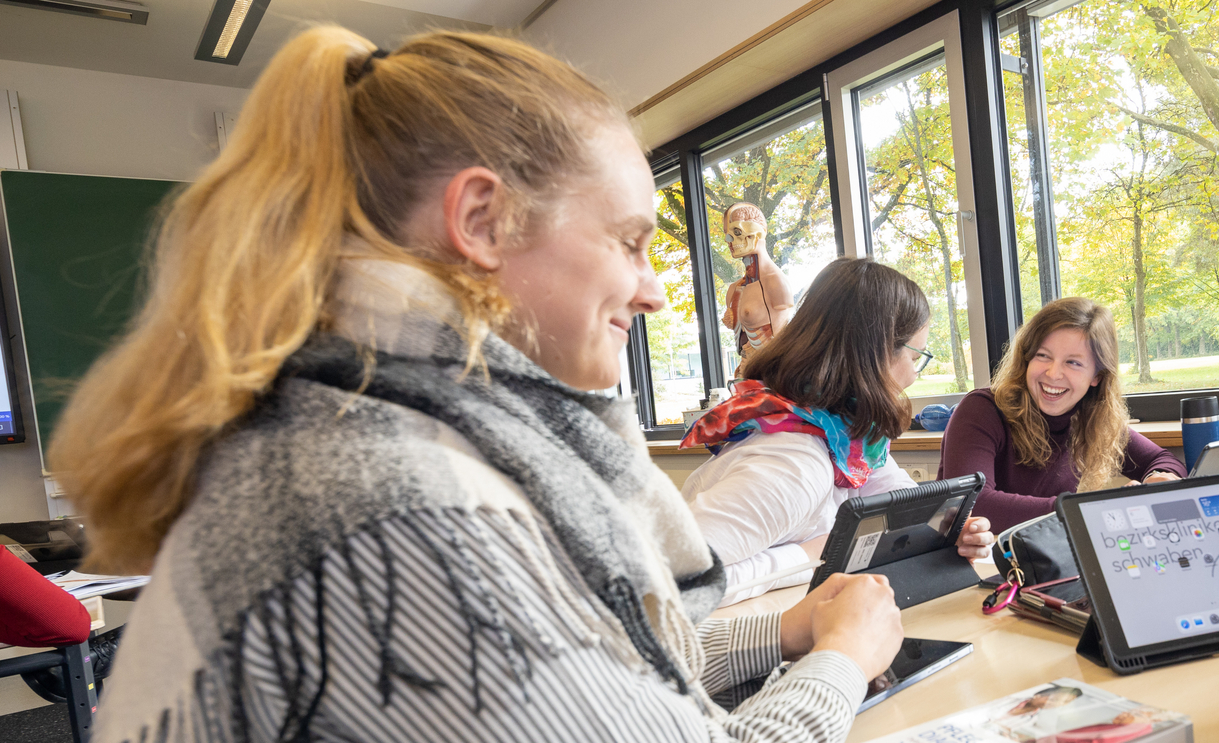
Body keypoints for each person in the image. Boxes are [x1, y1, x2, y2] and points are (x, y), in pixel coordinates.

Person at [54, 27, 908, 743]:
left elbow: (601, 669)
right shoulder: (394, 504)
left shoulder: (386, 429)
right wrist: (840, 662)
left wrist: (791, 630)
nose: (652, 291)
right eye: (629, 241)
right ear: (480, 221)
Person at [682, 258, 994, 604]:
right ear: (874, 356)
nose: (914, 374)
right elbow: (675, 585)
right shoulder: (794, 466)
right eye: (915, 355)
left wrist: (945, 528)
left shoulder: (846, 438)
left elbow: (895, 498)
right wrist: (814, 554)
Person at [939, 298, 1185, 528]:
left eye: (1073, 362)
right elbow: (972, 504)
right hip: (977, 561)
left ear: (1097, 376)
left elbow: (1163, 459)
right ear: (1027, 359)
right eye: (1043, 356)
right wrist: (1085, 508)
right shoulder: (982, 409)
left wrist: (1159, 478)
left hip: (1042, 557)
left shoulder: (1092, 419)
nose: (1053, 373)